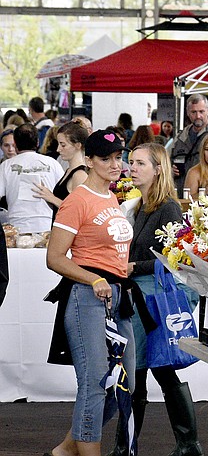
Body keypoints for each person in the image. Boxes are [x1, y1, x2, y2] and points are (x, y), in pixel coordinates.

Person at [107, 142, 203, 456]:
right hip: (137, 300)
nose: (131, 168)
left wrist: (135, 265)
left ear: (157, 168)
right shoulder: (137, 205)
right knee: (142, 371)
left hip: (153, 300)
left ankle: (179, 444)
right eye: (130, 162)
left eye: (139, 164)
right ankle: (136, 445)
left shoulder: (167, 207)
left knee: (150, 369)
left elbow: (173, 256)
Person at [46, 129, 135, 456]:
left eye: (118, 157)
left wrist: (120, 270)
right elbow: (54, 258)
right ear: (89, 160)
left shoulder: (111, 197)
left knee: (125, 383)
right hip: (87, 298)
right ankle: (81, 450)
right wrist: (94, 279)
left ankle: (69, 447)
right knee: (96, 382)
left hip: (117, 298)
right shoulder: (77, 200)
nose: (115, 164)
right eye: (106, 158)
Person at [0, 123, 64, 233]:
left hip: (16, 226)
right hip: (48, 226)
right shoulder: (52, 164)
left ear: (15, 144)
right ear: (38, 142)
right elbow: (66, 194)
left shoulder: (6, 166)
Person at [33, 122, 89, 220]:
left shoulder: (80, 175)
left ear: (78, 145)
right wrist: (46, 195)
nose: (58, 149)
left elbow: (78, 211)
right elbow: (59, 207)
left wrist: (52, 198)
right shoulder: (69, 171)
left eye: (63, 145)